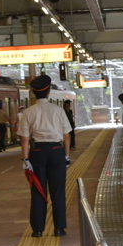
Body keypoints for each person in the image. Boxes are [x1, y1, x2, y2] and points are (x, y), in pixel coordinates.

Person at [19, 75, 72, 237]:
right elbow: (66, 136)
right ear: (49, 92)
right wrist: (66, 156)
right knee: (58, 191)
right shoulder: (58, 110)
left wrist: (26, 159)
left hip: (37, 154)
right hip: (57, 151)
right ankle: (59, 228)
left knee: (38, 191)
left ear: (33, 93)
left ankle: (38, 229)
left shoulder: (28, 113)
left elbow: (25, 139)